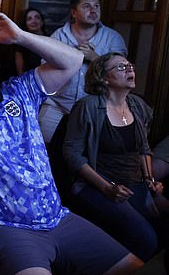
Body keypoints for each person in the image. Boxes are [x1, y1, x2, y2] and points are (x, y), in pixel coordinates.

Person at [0, 13, 142, 275]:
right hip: (3, 226)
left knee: (135, 268)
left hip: (57, 217)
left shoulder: (19, 90)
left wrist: (20, 36)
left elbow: (72, 61)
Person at [63, 52, 168, 262]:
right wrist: (107, 188)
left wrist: (151, 181)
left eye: (130, 65)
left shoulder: (137, 105)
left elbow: (143, 149)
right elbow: (71, 154)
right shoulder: (89, 106)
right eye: (120, 67)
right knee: (145, 238)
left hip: (135, 183)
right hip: (99, 186)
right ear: (104, 78)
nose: (129, 69)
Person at [39, 0, 127, 143]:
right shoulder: (59, 36)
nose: (93, 10)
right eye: (87, 6)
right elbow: (44, 67)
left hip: (96, 108)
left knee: (85, 154)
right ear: (74, 12)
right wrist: (71, 57)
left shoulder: (112, 37)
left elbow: (122, 71)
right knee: (42, 147)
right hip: (57, 104)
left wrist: (94, 58)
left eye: (96, 6)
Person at [15, 8, 47, 75]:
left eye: (37, 18)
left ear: (42, 22)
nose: (34, 21)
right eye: (29, 19)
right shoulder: (21, 43)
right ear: (25, 24)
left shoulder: (51, 39)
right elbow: (20, 72)